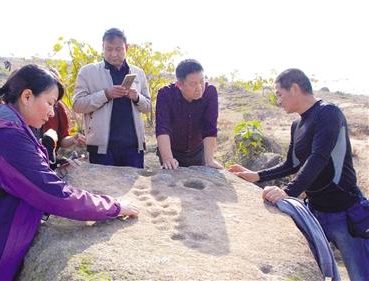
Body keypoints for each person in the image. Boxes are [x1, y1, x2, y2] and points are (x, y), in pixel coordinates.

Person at [0, 64, 139, 281]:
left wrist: (52, 166)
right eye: (49, 103)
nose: (51, 112)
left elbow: (14, 176)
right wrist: (113, 207)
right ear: (27, 96)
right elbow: (54, 194)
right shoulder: (8, 139)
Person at [228, 68, 369, 280]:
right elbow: (291, 163)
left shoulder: (329, 113)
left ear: (295, 88)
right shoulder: (297, 125)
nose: (278, 100)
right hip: (315, 213)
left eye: (279, 94)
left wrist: (287, 191)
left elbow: (318, 158)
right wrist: (256, 175)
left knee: (361, 275)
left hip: (345, 212)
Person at [73, 28, 151, 168]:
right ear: (102, 47)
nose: (114, 54)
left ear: (126, 48)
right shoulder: (88, 72)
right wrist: (106, 94)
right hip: (102, 149)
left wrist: (137, 97)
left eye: (118, 49)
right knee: (103, 189)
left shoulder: (138, 73)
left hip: (133, 147)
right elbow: (78, 105)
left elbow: (148, 107)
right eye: (108, 49)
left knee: (134, 190)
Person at [155, 59, 222, 169]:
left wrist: (209, 160)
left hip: (198, 151)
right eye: (193, 84)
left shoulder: (210, 92)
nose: (199, 88)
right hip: (172, 150)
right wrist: (167, 158)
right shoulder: (165, 94)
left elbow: (210, 127)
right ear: (180, 85)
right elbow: (162, 127)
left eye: (202, 81)